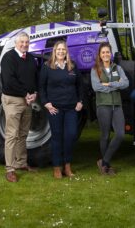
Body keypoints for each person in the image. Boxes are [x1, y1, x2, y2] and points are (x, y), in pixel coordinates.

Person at [39, 41, 83, 179]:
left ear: (66, 51)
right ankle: (57, 167)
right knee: (57, 138)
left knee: (70, 136)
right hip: (55, 109)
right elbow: (41, 87)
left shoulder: (72, 66)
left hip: (71, 108)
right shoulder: (47, 67)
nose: (61, 52)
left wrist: (80, 101)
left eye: (63, 49)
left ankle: (67, 166)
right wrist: (46, 103)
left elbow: (80, 86)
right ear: (54, 51)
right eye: (58, 49)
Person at [1, 32, 38, 183]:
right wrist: (25, 93)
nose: (24, 45)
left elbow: (34, 77)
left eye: (27, 42)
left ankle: (21, 163)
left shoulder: (30, 58)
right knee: (12, 135)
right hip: (13, 100)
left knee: (23, 134)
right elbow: (9, 81)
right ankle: (10, 169)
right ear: (16, 43)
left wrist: (34, 92)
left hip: (27, 101)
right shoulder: (8, 58)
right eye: (22, 42)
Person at [91, 42, 129, 175]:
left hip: (117, 105)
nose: (106, 54)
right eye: (103, 53)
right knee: (105, 135)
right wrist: (115, 85)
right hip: (103, 105)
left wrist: (108, 83)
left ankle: (104, 162)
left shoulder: (117, 68)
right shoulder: (95, 69)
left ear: (111, 54)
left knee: (120, 134)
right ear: (100, 55)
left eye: (108, 52)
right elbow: (97, 87)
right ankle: (107, 167)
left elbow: (125, 83)